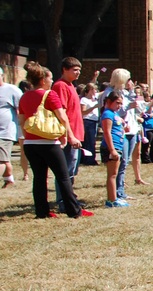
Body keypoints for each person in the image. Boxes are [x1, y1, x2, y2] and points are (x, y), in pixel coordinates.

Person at [15, 61, 92, 218]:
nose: (52, 81)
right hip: (49, 143)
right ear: (43, 80)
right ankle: (74, 210)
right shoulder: (49, 95)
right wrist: (68, 136)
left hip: (30, 143)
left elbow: (22, 121)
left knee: (39, 178)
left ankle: (42, 212)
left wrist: (28, 136)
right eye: (50, 78)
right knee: (63, 177)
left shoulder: (24, 97)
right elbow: (62, 117)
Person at [51, 57, 85, 211]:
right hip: (68, 136)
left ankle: (70, 198)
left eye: (79, 70)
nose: (78, 73)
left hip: (76, 133)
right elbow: (61, 113)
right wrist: (69, 135)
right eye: (74, 70)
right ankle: (64, 202)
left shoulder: (71, 86)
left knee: (72, 170)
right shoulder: (60, 86)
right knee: (65, 171)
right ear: (64, 69)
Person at [100, 91, 129, 207]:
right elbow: (107, 132)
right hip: (112, 147)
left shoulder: (114, 114)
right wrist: (112, 150)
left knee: (115, 174)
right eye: (117, 103)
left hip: (118, 145)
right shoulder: (107, 114)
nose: (119, 106)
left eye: (121, 103)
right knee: (112, 174)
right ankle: (112, 200)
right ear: (109, 102)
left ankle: (114, 197)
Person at [0, 66, 22, 188]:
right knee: (5, 158)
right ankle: (9, 180)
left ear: (2, 76)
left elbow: (21, 109)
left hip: (5, 131)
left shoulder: (12, 90)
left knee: (1, 159)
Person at [79, 83, 100, 165]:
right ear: (90, 90)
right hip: (87, 121)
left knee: (92, 141)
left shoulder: (95, 99)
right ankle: (88, 160)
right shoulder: (84, 99)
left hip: (94, 121)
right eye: (95, 89)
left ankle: (90, 159)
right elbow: (83, 112)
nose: (96, 91)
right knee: (89, 141)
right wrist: (93, 107)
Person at [139, 91, 153, 164]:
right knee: (146, 144)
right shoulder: (144, 105)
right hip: (147, 127)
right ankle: (145, 159)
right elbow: (149, 114)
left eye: (150, 96)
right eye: (148, 96)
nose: (150, 98)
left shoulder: (152, 106)